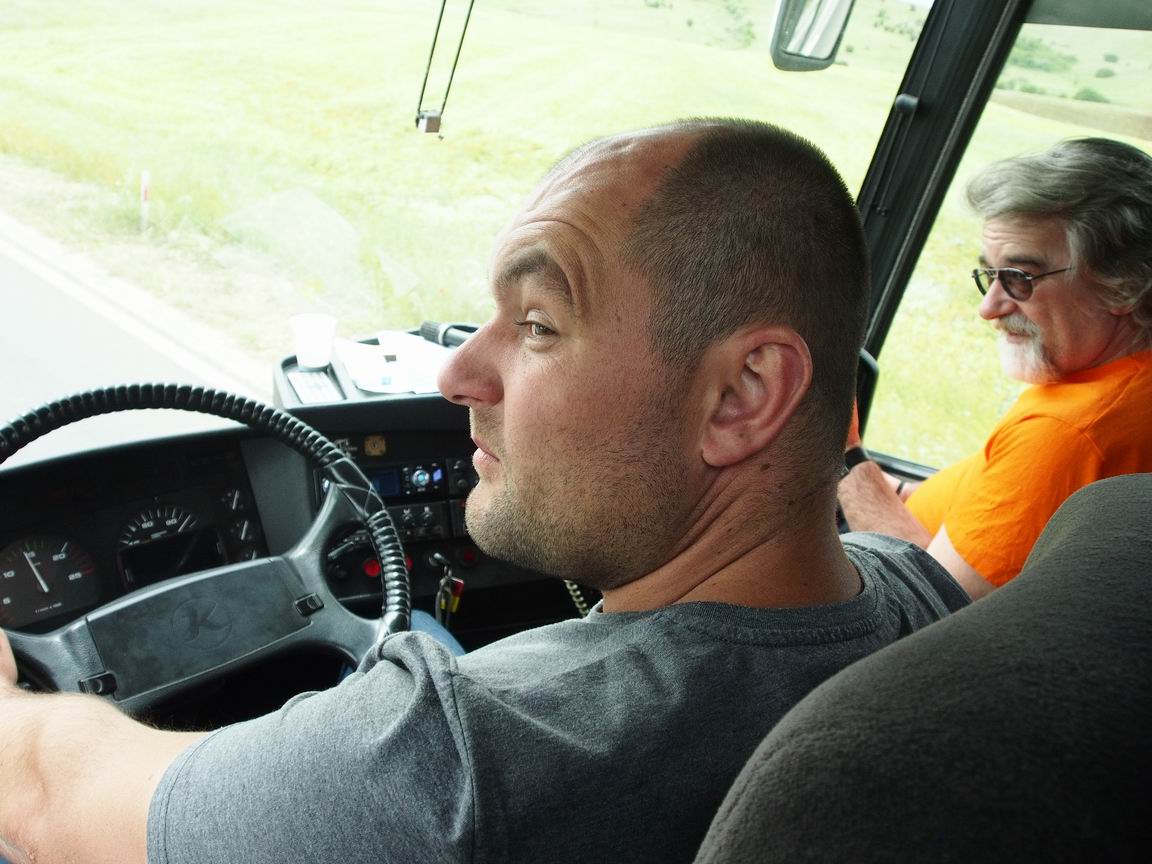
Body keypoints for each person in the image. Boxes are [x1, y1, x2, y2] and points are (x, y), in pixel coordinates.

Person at [0, 119, 968, 864]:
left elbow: (45, 802)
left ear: (743, 396)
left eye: (538, 325)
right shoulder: (921, 598)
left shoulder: (461, 759)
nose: (456, 374)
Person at [838, 137, 1152, 600]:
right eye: (989, 275)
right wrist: (891, 488)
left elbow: (932, 608)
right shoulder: (1116, 381)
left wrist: (842, 456)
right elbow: (997, 514)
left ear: (1125, 285)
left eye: (1020, 278)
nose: (989, 308)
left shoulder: (1069, 433)